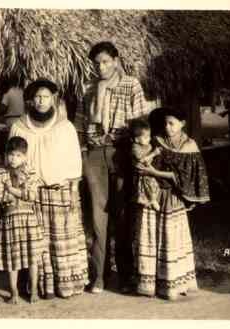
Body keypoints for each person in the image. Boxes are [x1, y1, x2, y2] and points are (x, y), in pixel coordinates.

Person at [79, 41, 149, 293]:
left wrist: (133, 146)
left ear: (116, 61)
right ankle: (99, 275)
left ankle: (127, 276)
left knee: (122, 216)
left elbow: (141, 122)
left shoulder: (131, 84)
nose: (101, 67)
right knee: (98, 218)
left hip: (122, 153)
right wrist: (84, 151)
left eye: (106, 61)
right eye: (97, 63)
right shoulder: (88, 88)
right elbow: (80, 124)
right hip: (95, 154)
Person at [9, 78, 88, 298]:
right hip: (32, 195)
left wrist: (73, 192)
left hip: (60, 192)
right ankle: (42, 287)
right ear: (31, 100)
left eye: (45, 97)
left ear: (53, 99)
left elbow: (74, 161)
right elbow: (13, 160)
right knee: (37, 241)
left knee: (62, 238)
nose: (41, 101)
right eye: (37, 97)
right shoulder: (19, 127)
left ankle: (65, 285)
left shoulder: (65, 127)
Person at [133, 107, 210, 300]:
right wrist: (145, 168)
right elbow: (143, 158)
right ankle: (151, 283)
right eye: (166, 123)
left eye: (172, 123)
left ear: (182, 123)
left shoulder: (189, 146)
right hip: (154, 195)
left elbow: (181, 177)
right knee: (151, 235)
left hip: (173, 197)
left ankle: (174, 283)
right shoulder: (157, 141)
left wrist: (154, 173)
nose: (168, 127)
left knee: (171, 238)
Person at [0, 136, 46, 304]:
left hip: (28, 219)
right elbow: (0, 196)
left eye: (18, 155)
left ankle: (34, 292)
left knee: (32, 257)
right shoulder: (1, 172)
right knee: (13, 259)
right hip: (10, 219)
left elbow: (31, 196)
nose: (13, 159)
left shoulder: (31, 172)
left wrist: (11, 189)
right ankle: (14, 293)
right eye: (10, 155)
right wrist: (18, 192)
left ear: (25, 156)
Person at [130, 119, 161, 211]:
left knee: (153, 183)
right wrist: (154, 153)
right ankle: (152, 199)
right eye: (146, 137)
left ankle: (150, 199)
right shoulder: (135, 147)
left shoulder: (148, 145)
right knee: (148, 183)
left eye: (149, 136)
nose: (149, 139)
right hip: (141, 171)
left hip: (148, 168)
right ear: (136, 139)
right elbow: (141, 159)